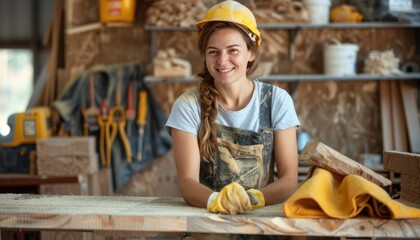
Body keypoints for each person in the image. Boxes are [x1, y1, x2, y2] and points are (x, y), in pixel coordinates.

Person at [165, 0, 300, 215]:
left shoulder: (277, 101)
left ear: (251, 54)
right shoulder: (188, 106)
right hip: (207, 226)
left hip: (261, 225)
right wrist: (216, 201)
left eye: (233, 50)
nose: (222, 60)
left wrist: (254, 198)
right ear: (205, 56)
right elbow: (187, 182)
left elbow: (289, 178)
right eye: (213, 52)